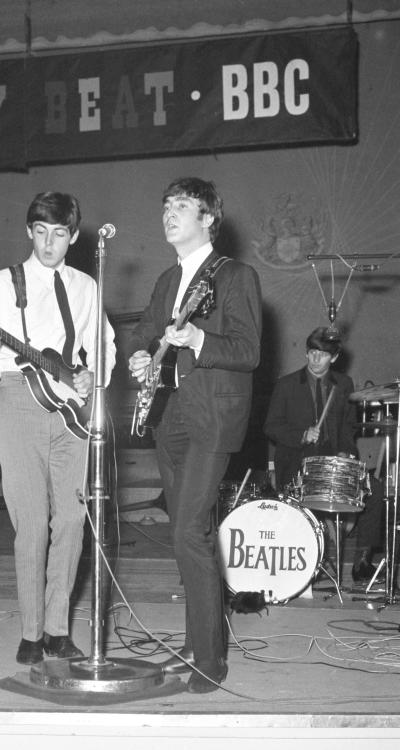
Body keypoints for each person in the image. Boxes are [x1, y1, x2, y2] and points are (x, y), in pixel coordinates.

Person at [0, 191, 115, 665]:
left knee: (72, 519)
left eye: (60, 234)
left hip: (71, 407)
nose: (50, 243)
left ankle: (57, 629)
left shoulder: (88, 286)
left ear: (73, 237)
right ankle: (31, 633)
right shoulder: (1, 283)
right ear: (29, 232)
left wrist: (94, 375)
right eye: (42, 232)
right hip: (18, 400)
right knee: (30, 525)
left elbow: (103, 345)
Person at [127, 177, 262, 694]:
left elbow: (248, 351)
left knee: (189, 532)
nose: (169, 213)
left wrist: (200, 337)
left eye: (182, 206)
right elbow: (143, 332)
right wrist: (139, 354)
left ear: (208, 219)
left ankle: (211, 659)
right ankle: (195, 639)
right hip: (172, 417)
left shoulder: (235, 276)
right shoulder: (168, 280)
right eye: (165, 205)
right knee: (185, 535)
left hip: (213, 418)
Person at [263, 326, 383, 583]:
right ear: (306, 353)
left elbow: (348, 428)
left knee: (375, 491)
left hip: (333, 465)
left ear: (335, 358)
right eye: (312, 353)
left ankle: (362, 561)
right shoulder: (286, 385)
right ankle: (307, 563)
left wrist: (345, 453)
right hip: (298, 466)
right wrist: (301, 435)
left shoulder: (344, 384)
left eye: (323, 355)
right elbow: (271, 426)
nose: (316, 359)